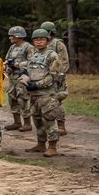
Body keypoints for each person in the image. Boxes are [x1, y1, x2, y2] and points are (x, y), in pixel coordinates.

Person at [22, 28, 66, 157]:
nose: (38, 42)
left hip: (47, 94)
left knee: (49, 120)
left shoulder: (52, 55)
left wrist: (37, 84)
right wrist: (24, 77)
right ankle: (41, 144)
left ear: (47, 40)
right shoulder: (34, 55)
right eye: (36, 39)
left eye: (41, 39)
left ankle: (53, 146)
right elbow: (30, 70)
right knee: (37, 120)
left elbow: (54, 76)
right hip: (34, 95)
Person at [40, 21, 69, 136]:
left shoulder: (58, 44)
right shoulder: (41, 44)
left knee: (57, 100)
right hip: (44, 77)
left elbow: (64, 61)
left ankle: (61, 125)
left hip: (57, 77)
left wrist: (59, 76)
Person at [3, 26, 34, 131]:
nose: (10, 38)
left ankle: (27, 123)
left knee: (22, 99)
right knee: (12, 99)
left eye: (11, 36)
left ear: (18, 36)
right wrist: (6, 69)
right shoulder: (12, 48)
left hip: (22, 77)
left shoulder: (28, 47)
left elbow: (32, 62)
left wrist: (17, 64)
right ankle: (17, 122)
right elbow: (7, 60)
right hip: (12, 78)